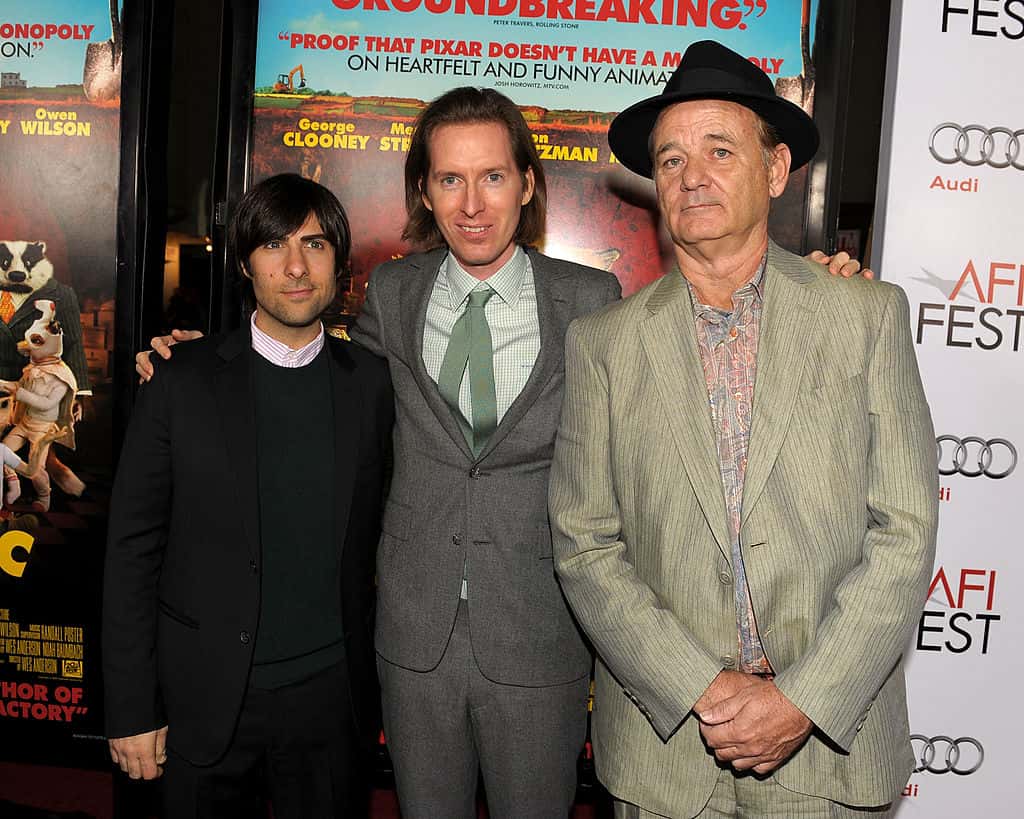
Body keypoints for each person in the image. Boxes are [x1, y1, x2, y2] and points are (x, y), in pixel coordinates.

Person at [136, 89, 867, 817]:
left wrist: (815, 285)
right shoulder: (393, 292)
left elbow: (687, 365)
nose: (472, 203)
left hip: (539, 634)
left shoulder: (590, 298)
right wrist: (211, 361)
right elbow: (321, 376)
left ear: (526, 183)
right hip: (411, 637)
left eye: (492, 176)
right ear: (425, 190)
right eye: (450, 179)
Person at [548, 40, 938, 819]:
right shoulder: (605, 345)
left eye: (719, 150)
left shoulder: (864, 315)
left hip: (829, 751)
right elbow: (584, 543)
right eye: (669, 160)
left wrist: (803, 697)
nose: (691, 176)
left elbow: (904, 529)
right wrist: (702, 687)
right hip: (666, 761)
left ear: (774, 169)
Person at [104, 174, 393, 818]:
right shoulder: (181, 382)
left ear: (339, 264)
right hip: (201, 701)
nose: (295, 266)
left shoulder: (371, 386)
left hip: (329, 706)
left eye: (314, 245)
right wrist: (130, 709)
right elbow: (130, 556)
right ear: (244, 263)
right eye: (273, 246)